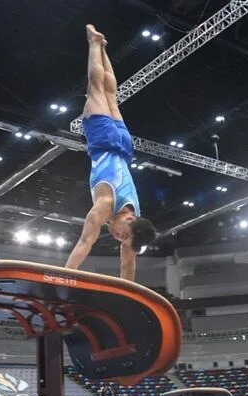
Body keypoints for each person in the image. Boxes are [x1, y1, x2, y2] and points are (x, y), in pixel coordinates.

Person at [65, 25, 156, 281]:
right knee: (95, 87)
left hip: (125, 147)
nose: (118, 238)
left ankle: (103, 47)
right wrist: (64, 276)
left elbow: (128, 268)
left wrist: (129, 295)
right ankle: (94, 44)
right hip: (104, 140)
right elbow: (85, 241)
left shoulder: (132, 223)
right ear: (130, 219)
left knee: (111, 94)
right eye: (123, 235)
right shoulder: (105, 205)